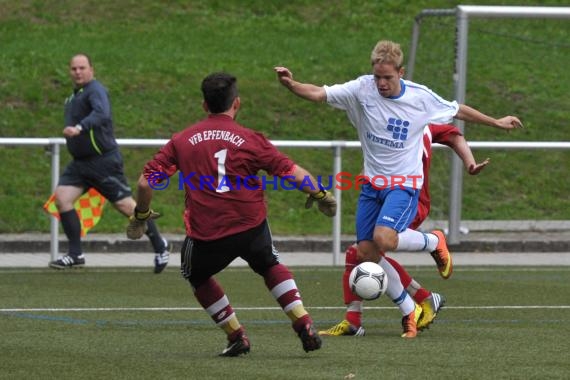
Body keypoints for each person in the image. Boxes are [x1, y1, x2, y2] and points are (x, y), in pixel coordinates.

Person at [275, 39, 523, 337]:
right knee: (365, 251)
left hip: (404, 185)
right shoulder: (361, 89)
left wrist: (496, 122)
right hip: (371, 185)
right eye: (377, 76)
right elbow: (318, 93)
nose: (381, 83)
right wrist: (291, 85)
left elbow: (458, 112)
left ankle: (433, 242)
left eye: (388, 78)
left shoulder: (420, 98)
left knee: (384, 239)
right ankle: (410, 307)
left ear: (401, 73)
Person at [126, 72, 337, 356]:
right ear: (236, 103)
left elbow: (144, 182)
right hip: (250, 225)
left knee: (195, 273)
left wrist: (141, 215)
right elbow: (291, 172)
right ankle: (303, 322)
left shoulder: (182, 140)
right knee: (269, 263)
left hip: (207, 234)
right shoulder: (251, 139)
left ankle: (236, 335)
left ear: (204, 105)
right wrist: (320, 194)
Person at [320, 123, 490, 338]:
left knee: (373, 246)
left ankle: (431, 249)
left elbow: (456, 129)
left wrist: (473, 159)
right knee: (361, 253)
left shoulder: (422, 120)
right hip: (381, 196)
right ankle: (421, 300)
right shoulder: (382, 117)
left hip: (411, 200)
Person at [49, 53, 170, 273]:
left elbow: (102, 114)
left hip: (102, 162)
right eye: (74, 68)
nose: (77, 72)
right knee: (62, 199)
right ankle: (76, 254)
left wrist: (80, 128)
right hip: (79, 164)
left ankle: (160, 244)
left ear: (91, 70)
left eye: (82, 68)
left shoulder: (96, 90)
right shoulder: (73, 97)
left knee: (125, 206)